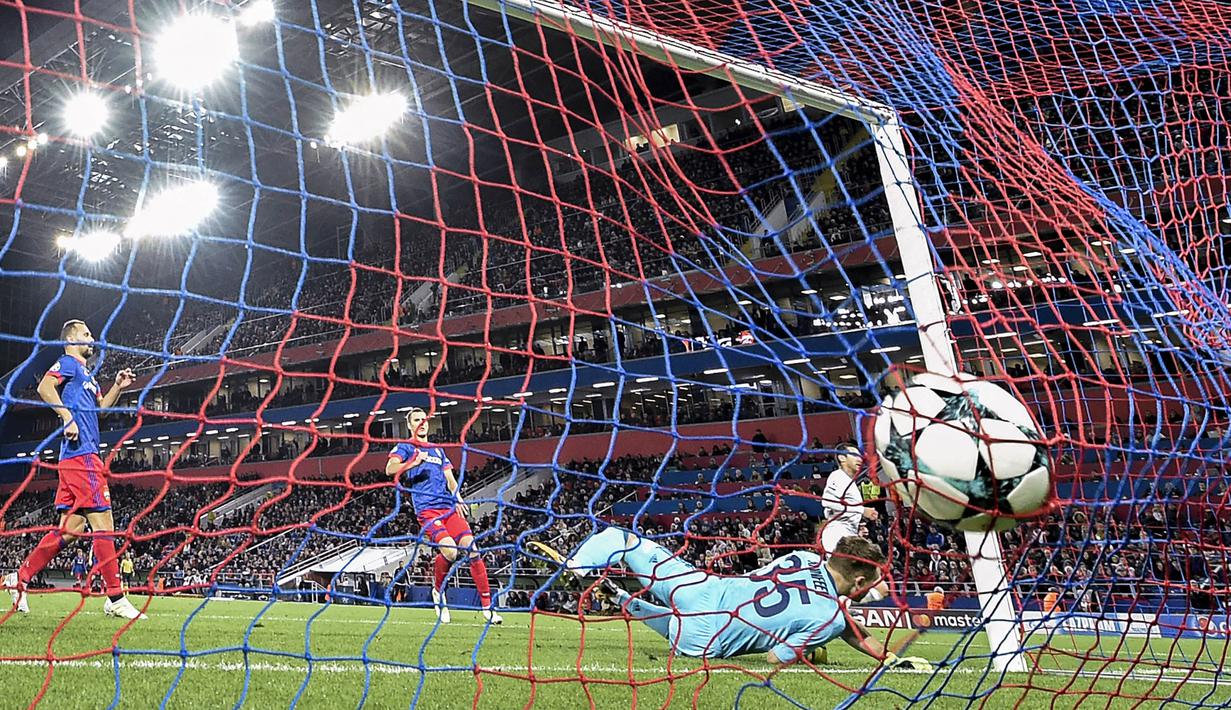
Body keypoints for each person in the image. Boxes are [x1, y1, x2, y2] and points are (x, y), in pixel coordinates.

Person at [532, 530, 929, 668]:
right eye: (871, 583)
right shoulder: (830, 619)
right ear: (858, 580)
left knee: (623, 540)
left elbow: (847, 626)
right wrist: (808, 647)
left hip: (700, 588)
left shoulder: (806, 558)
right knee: (682, 631)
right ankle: (622, 599)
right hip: (706, 636)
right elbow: (776, 658)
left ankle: (581, 568)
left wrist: (885, 655)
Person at [4, 320, 146, 620]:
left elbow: (100, 412)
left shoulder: (88, 375)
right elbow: (44, 386)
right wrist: (66, 416)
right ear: (70, 339)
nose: (91, 338)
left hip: (78, 457)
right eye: (86, 334)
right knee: (104, 523)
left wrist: (117, 387)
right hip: (82, 456)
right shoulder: (68, 363)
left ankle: (20, 577)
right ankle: (115, 597)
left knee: (72, 530)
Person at [387, 408, 501, 624]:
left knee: (473, 549)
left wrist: (458, 497)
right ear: (410, 425)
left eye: (424, 419)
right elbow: (389, 469)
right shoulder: (406, 447)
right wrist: (413, 463)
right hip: (427, 510)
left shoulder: (437, 450)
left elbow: (450, 479)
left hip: (447, 507)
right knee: (450, 552)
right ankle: (438, 592)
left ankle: (488, 608)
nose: (422, 423)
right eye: (417, 420)